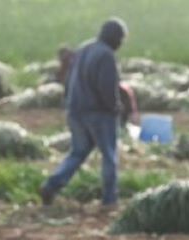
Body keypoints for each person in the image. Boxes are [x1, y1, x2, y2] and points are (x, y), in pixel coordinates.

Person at [40, 18, 127, 208]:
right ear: (115, 38)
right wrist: (115, 108)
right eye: (120, 39)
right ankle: (109, 199)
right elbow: (107, 87)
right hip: (99, 114)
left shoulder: (84, 49)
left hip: (75, 110)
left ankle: (51, 185)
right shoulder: (106, 55)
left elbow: (69, 79)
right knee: (109, 156)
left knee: (77, 153)